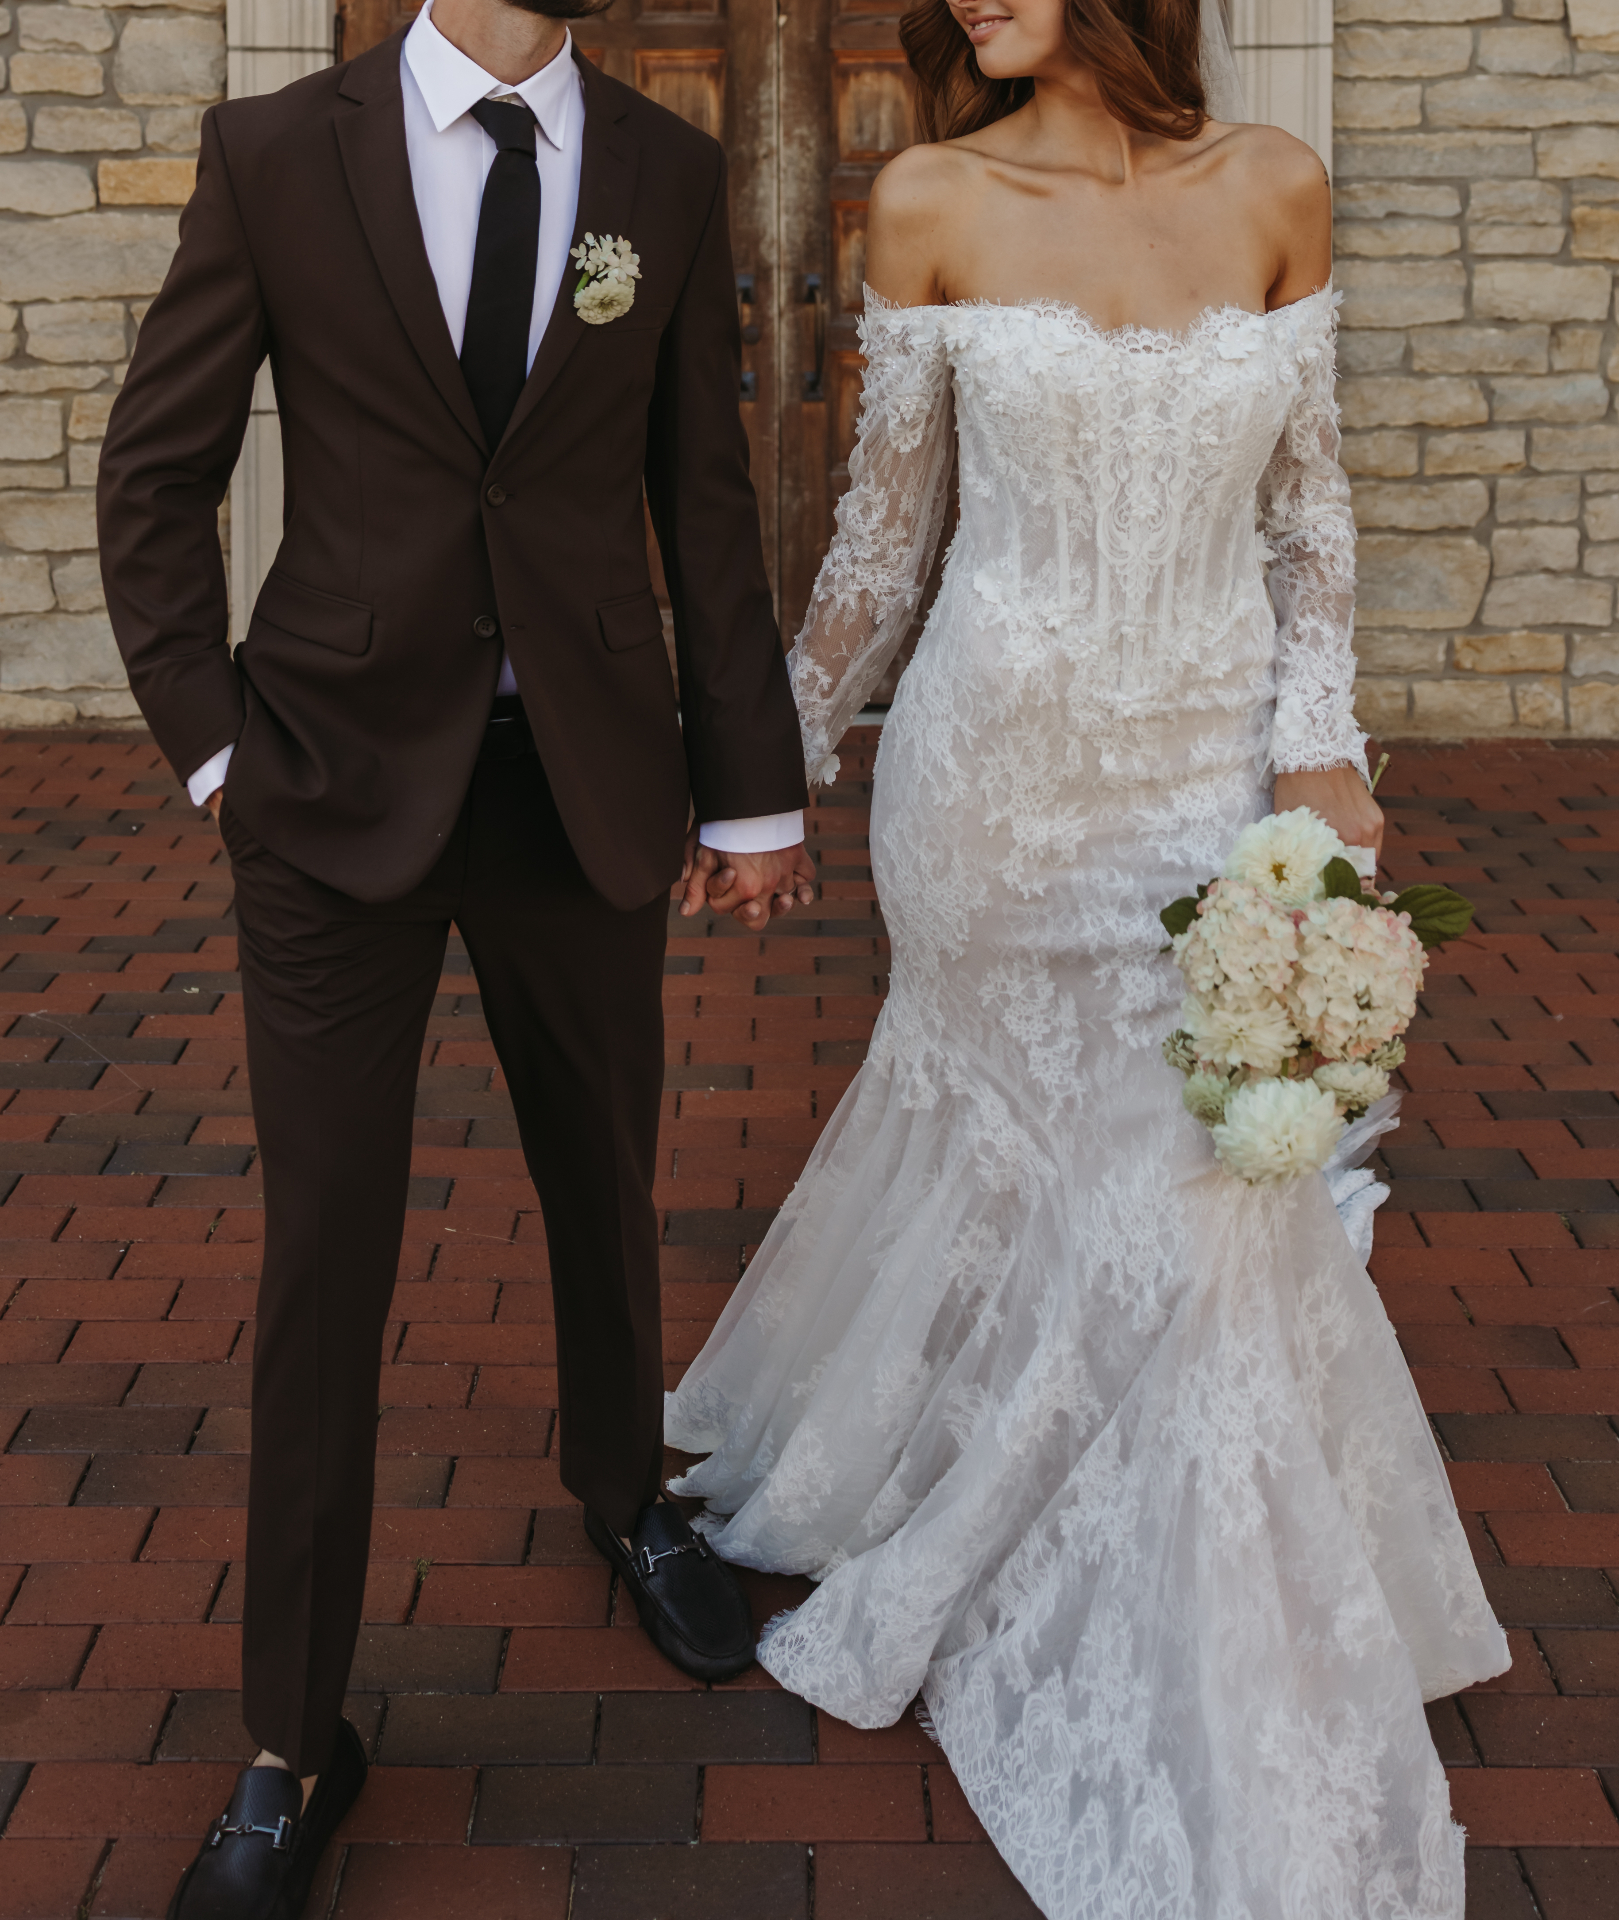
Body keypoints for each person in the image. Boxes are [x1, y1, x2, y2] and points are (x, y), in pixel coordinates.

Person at [665, 1, 1510, 1913]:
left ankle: (1222, 1632)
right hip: (994, 787)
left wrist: (1323, 744)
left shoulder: (1277, 185)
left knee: (1212, 1192)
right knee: (1057, 1158)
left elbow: (1314, 517)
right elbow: (886, 535)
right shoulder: (931, 194)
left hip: (1214, 782)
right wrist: (772, 774)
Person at [96, 0, 816, 1910]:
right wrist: (217, 749)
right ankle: (289, 1731)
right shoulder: (274, 153)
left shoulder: (660, 168)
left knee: (606, 1178)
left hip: (582, 778)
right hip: (329, 792)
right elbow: (154, 470)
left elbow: (704, 499)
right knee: (328, 1247)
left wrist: (753, 793)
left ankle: (620, 1494)